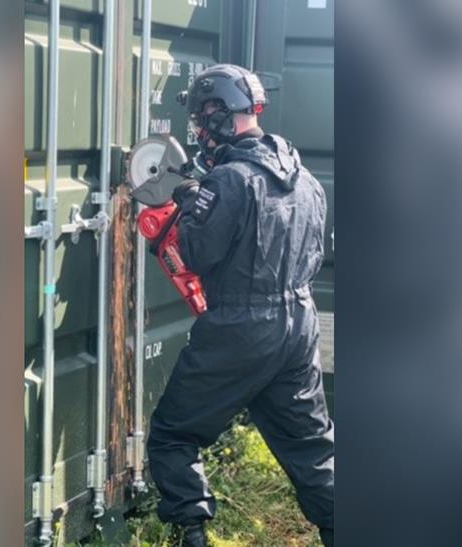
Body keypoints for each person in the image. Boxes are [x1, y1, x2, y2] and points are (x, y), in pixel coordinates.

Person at [146, 64, 334, 547]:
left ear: (215, 114)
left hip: (240, 328)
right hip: (298, 325)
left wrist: (192, 202)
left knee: (174, 435)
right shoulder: (306, 179)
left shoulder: (227, 180)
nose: (200, 133)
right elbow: (315, 250)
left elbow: (198, 254)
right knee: (312, 451)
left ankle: (193, 532)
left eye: (200, 120)